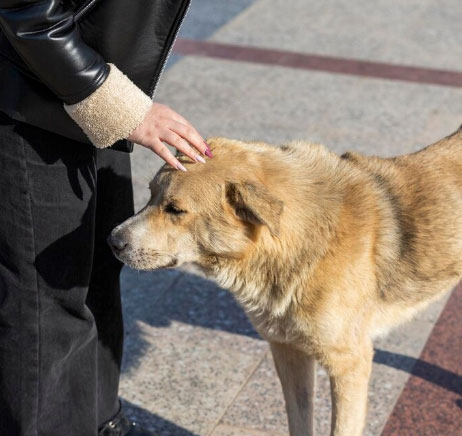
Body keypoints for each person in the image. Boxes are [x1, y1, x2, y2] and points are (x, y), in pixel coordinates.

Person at [0, 1, 210, 435]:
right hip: (30, 93)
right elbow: (27, 10)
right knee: (45, 300)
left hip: (93, 85)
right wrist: (112, 100)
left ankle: (102, 421)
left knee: (97, 267)